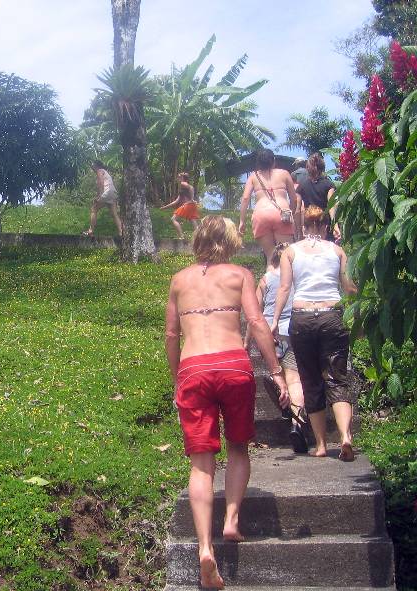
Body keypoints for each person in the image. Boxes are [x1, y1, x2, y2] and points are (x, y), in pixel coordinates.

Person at [166, 216, 288, 590]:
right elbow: (257, 322)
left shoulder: (178, 280)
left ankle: (205, 548)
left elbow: (171, 334)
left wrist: (177, 379)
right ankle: (231, 519)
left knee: (201, 464)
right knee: (238, 446)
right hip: (233, 365)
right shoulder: (239, 274)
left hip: (194, 369)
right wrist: (276, 369)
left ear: (199, 239)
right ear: (231, 241)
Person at [271, 205, 358, 461]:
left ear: (304, 226)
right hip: (332, 315)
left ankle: (320, 445)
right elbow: (350, 288)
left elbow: (285, 288)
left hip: (303, 319)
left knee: (310, 380)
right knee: (337, 378)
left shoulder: (291, 252)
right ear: (325, 226)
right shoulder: (337, 251)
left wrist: (275, 320)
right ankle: (345, 436)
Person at [244, 242, 308, 453]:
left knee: (276, 374)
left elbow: (254, 314)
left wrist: (246, 342)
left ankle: (282, 396)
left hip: (270, 336)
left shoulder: (265, 280)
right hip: (294, 331)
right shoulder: (298, 278)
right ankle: (297, 423)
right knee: (295, 378)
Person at [238, 149, 302, 262]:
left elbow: (245, 198)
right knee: (285, 257)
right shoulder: (284, 173)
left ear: (259, 163)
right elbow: (294, 199)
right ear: (273, 161)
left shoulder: (254, 176)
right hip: (282, 215)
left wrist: (242, 221)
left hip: (261, 215)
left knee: (270, 258)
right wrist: (290, 211)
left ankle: (270, 275)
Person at [296, 152, 339, 242]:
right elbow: (331, 206)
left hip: (309, 224)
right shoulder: (328, 184)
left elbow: (298, 210)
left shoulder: (301, 186)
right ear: (322, 168)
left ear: (308, 168)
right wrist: (335, 225)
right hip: (324, 224)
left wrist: (300, 230)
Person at [82, 160, 123, 237]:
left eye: (92, 164)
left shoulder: (99, 171)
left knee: (94, 209)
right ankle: (121, 233)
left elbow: (101, 183)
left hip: (107, 192)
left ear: (96, 165)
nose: (91, 166)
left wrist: (100, 195)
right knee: (114, 214)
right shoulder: (104, 171)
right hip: (113, 193)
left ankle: (90, 231)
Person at [160, 172, 200, 239]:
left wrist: (192, 198)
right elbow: (176, 202)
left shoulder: (182, 183)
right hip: (192, 205)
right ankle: (200, 237)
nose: (177, 178)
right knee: (193, 221)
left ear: (182, 178)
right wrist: (164, 207)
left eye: (178, 177)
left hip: (188, 205)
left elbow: (191, 187)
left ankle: (181, 237)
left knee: (173, 219)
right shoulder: (182, 190)